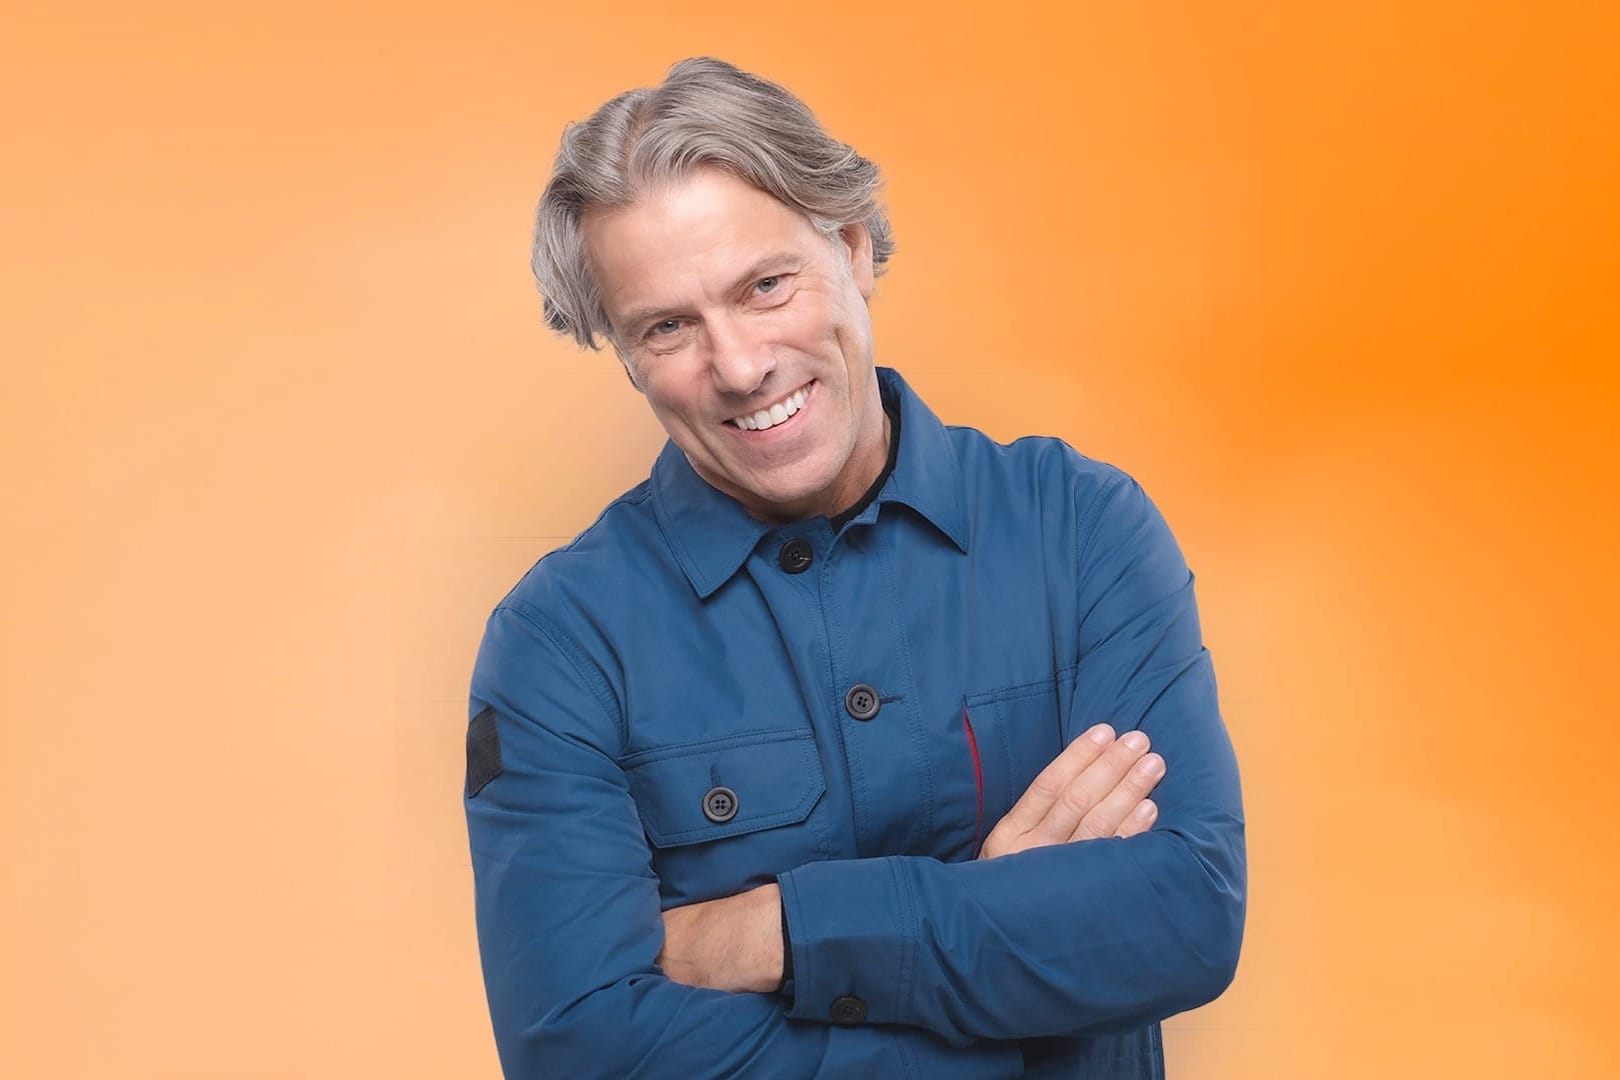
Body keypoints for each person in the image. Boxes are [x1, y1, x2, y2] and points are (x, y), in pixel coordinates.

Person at [464, 57, 1245, 1079]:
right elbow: (579, 1053)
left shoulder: (1079, 528)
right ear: (622, 352)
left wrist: (783, 930)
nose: (740, 366)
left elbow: (1184, 918)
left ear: (854, 246)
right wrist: (1007, 953)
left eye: (766, 286)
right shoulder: (559, 645)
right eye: (668, 327)